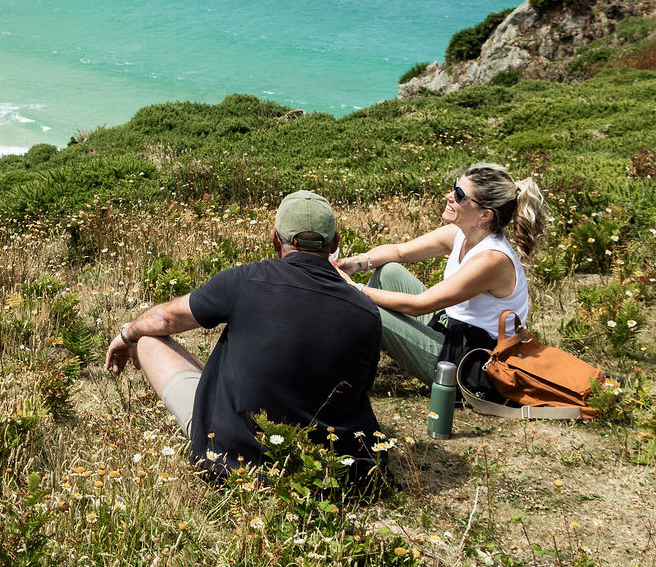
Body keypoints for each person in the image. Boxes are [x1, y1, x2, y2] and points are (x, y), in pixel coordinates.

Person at [106, 190, 381, 476]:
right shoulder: (367, 312)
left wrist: (128, 333)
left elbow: (164, 319)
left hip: (235, 461)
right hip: (328, 472)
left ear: (275, 238)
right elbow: (360, 389)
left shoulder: (246, 279)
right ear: (335, 242)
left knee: (149, 339)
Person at [333, 162, 545, 389]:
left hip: (472, 361)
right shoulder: (461, 234)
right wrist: (357, 262)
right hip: (452, 328)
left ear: (485, 214)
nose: (449, 195)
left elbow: (418, 305)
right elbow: (399, 252)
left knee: (372, 310)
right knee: (389, 271)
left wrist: (354, 288)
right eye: (455, 187)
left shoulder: (491, 260)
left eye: (460, 194)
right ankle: (352, 356)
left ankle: (338, 371)